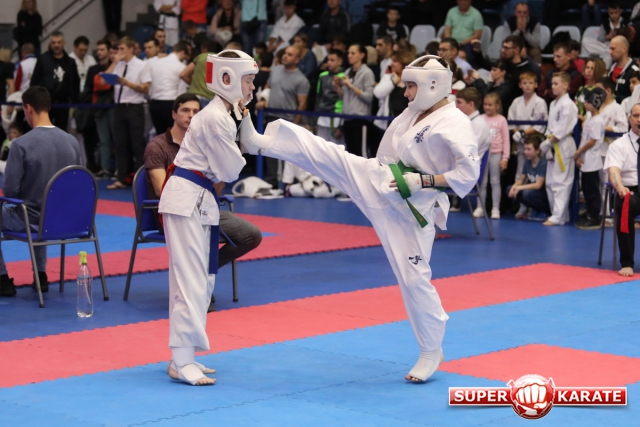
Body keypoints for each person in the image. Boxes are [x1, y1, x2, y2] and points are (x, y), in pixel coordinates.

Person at [239, 54, 479, 384]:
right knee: (331, 156)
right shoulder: (413, 111)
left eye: (411, 86)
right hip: (381, 179)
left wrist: (424, 181)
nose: (406, 93)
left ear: (434, 85)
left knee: (413, 279)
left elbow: (467, 176)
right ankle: (261, 142)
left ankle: (430, 350)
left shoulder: (456, 123)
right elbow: (388, 152)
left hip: (412, 208)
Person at [158, 50, 257, 385]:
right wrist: (241, 137)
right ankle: (180, 360)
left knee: (202, 280)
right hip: (186, 199)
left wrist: (242, 122)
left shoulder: (224, 115)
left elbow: (237, 156)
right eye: (248, 80)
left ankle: (185, 356)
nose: (252, 87)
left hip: (198, 200)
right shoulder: (215, 118)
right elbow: (230, 169)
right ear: (227, 79)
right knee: (189, 281)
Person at [145, 93, 262, 312]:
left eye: (195, 111)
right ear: (173, 114)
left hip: (206, 204)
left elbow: (218, 183)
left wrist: (226, 161)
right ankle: (194, 280)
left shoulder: (208, 140)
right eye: (185, 110)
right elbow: (162, 189)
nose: (191, 116)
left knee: (251, 235)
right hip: (176, 207)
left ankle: (200, 273)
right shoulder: (158, 146)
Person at [0, 86, 82, 297]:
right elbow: (80, 183)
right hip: (69, 221)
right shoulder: (72, 142)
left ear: (28, 108)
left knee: (31, 208)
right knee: (44, 207)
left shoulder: (21, 144)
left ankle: (2, 279)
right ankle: (41, 274)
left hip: (33, 220)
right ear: (48, 107)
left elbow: (10, 191)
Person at [254, 45, 310, 188]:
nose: (285, 56)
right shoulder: (276, 70)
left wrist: (296, 124)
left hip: (289, 119)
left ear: (297, 59)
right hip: (271, 116)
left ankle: (287, 184)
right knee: (269, 150)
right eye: (285, 53)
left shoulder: (301, 80)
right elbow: (268, 86)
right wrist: (264, 99)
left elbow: (302, 104)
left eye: (290, 54)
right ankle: (271, 182)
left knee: (288, 154)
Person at [103, 36, 149, 190]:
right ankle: (122, 178)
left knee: (137, 145)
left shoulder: (142, 65)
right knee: (120, 144)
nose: (119, 52)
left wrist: (127, 83)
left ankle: (141, 179)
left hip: (134, 107)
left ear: (131, 48)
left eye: (122, 49)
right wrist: (114, 62)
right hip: (119, 107)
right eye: (118, 49)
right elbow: (103, 81)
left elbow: (146, 88)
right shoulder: (118, 65)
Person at [604, 103, 640, 277]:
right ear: (629, 118)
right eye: (636, 116)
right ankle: (627, 262)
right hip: (629, 190)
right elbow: (614, 171)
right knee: (626, 204)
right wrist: (619, 187)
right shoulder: (619, 145)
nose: (639, 120)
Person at [540, 72, 579, 226]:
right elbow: (551, 127)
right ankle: (561, 215)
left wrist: (549, 142)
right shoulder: (553, 104)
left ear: (565, 85)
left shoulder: (568, 105)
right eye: (552, 83)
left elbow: (563, 128)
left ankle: (557, 216)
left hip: (563, 144)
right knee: (550, 182)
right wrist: (547, 143)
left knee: (561, 182)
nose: (552, 86)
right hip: (551, 144)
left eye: (556, 84)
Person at [30, 31, 80, 132]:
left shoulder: (70, 62)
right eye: (53, 42)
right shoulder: (43, 60)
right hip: (45, 103)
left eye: (59, 42)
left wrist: (74, 100)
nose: (56, 45)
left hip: (63, 103)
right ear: (50, 44)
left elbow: (75, 82)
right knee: (43, 131)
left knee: (61, 132)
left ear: (63, 43)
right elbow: (34, 81)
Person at [452, 86, 491, 212]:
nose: (456, 105)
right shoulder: (467, 121)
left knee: (427, 173)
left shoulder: (478, 124)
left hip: (467, 170)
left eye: (459, 102)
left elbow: (467, 151)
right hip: (461, 165)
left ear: (471, 104)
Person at [333, 44, 375, 157]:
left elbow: (369, 97)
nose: (349, 55)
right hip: (347, 118)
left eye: (353, 53)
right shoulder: (347, 72)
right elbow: (345, 97)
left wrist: (351, 86)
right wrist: (337, 87)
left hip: (360, 119)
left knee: (361, 154)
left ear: (362, 55)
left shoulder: (367, 73)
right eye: (348, 53)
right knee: (350, 155)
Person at [472, 92, 509, 220]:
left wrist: (505, 158)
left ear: (497, 106)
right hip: (482, 154)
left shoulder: (501, 120)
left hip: (496, 154)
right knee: (482, 182)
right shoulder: (480, 118)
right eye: (485, 104)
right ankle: (480, 207)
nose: (487, 107)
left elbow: (506, 140)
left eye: (490, 105)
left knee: (495, 181)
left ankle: (495, 208)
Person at [574, 87, 607, 230]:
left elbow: (592, 141)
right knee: (587, 190)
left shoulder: (598, 121)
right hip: (586, 159)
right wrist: (580, 155)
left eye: (588, 102)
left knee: (592, 190)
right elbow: (584, 138)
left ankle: (594, 217)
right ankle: (589, 213)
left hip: (592, 160)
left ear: (595, 104)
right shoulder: (589, 119)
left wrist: (578, 152)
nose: (585, 104)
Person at [508, 71, 548, 180]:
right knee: (521, 171)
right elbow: (511, 121)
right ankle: (519, 189)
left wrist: (522, 133)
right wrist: (517, 133)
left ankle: (535, 189)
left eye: (530, 83)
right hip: (521, 141)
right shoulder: (516, 102)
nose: (527, 85)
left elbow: (540, 125)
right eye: (524, 83)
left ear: (536, 85)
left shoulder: (540, 102)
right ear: (520, 85)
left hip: (535, 141)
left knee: (536, 171)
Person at [85, 39, 115, 178]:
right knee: (104, 140)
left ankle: (120, 170)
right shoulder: (93, 69)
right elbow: (100, 85)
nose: (99, 52)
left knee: (117, 140)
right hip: (99, 108)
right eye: (98, 50)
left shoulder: (118, 66)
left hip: (114, 107)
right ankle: (105, 168)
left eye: (102, 49)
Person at [144, 42, 189, 135]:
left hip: (154, 103)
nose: (184, 59)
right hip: (170, 103)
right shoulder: (181, 66)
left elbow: (149, 82)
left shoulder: (155, 63)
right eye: (184, 57)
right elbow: (181, 92)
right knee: (173, 135)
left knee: (160, 135)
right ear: (182, 52)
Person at [506, 135, 550, 221]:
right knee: (509, 189)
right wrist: (514, 187)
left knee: (527, 193)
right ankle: (535, 210)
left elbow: (538, 185)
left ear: (538, 151)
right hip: (533, 193)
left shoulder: (543, 163)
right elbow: (521, 180)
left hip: (544, 196)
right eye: (525, 149)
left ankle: (545, 211)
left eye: (529, 149)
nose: (525, 152)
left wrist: (519, 187)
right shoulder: (527, 162)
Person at [373, 50, 414, 132]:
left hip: (407, 122)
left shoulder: (412, 80)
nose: (391, 64)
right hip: (389, 121)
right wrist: (393, 83)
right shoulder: (388, 77)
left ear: (403, 63)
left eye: (395, 61)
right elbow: (377, 93)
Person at [315, 49, 345, 145]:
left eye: (332, 60)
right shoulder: (322, 76)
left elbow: (346, 100)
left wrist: (341, 126)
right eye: (328, 60)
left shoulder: (344, 76)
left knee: (336, 147)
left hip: (336, 115)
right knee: (320, 145)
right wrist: (315, 118)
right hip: (322, 115)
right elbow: (318, 96)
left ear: (340, 61)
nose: (329, 63)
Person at [582, 2, 624, 67]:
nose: (613, 15)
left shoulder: (625, 23)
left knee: (608, 54)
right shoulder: (605, 23)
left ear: (620, 11)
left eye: (616, 13)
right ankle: (609, 51)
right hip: (607, 46)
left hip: (620, 46)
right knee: (584, 41)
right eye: (611, 13)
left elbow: (629, 38)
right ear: (608, 13)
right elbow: (600, 40)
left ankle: (606, 67)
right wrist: (608, 36)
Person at [182, 39, 218, 109]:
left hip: (196, 97)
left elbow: (183, 74)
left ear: (204, 49)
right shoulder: (221, 59)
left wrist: (195, 84)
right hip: (213, 99)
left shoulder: (201, 57)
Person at [608, 35, 640, 103]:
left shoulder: (635, 71)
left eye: (613, 49)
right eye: (610, 48)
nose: (610, 52)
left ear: (624, 49)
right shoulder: (611, 69)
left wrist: (615, 98)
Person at [0, 122, 22, 188]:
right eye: (10, 132)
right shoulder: (6, 142)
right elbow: (3, 155)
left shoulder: (20, 143)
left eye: (14, 133)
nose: (12, 134)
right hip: (5, 163)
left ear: (20, 133)